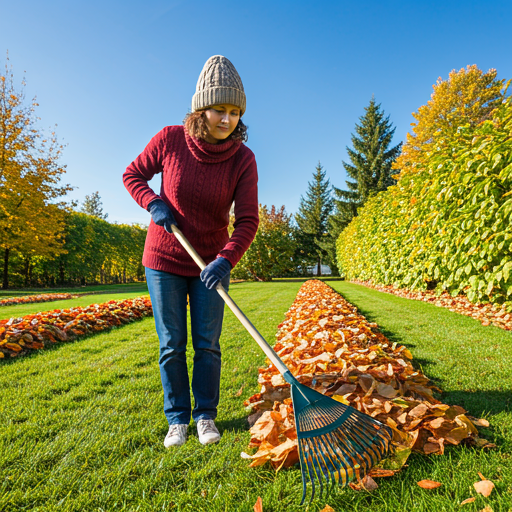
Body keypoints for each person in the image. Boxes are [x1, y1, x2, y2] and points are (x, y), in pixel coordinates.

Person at [123, 55, 259, 447]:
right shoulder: (169, 139)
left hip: (211, 264)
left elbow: (247, 220)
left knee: (207, 343)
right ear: (202, 107)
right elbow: (132, 174)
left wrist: (225, 258)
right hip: (164, 259)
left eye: (235, 112)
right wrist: (152, 201)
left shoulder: (243, 160)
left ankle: (205, 416)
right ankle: (178, 418)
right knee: (171, 343)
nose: (227, 119)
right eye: (220, 109)